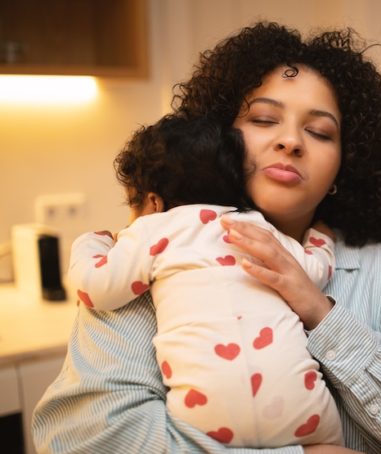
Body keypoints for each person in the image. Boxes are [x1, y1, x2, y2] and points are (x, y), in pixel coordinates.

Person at [32, 22, 381, 454]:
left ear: (345, 165)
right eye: (264, 119)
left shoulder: (380, 269)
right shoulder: (153, 250)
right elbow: (86, 440)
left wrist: (320, 312)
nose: (290, 141)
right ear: (220, 140)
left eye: (319, 131)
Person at [67, 114, 343, 447]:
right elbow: (315, 272)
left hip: (205, 421)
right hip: (305, 411)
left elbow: (94, 288)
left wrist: (92, 242)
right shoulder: (259, 229)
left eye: (132, 206)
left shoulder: (152, 229)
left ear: (153, 203)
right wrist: (321, 238)